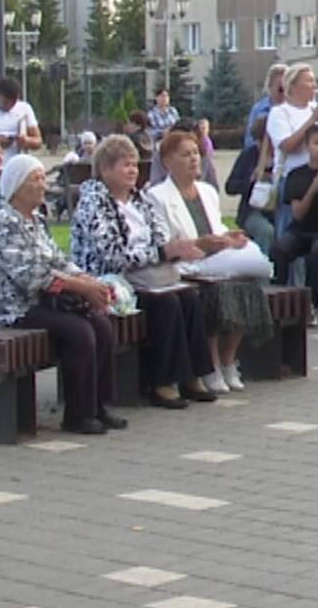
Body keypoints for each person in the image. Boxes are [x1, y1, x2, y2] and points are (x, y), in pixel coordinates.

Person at [0, 156, 122, 434]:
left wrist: (90, 281)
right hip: (13, 308)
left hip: (43, 301)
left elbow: (58, 260)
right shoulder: (1, 223)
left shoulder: (36, 220)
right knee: (79, 332)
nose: (43, 185)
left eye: (44, 178)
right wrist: (80, 287)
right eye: (36, 179)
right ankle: (77, 415)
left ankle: (98, 406)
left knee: (101, 324)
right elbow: (31, 277)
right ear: (17, 186)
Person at [72, 135, 216, 410]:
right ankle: (162, 381)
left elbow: (160, 237)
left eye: (135, 165)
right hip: (111, 279)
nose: (133, 171)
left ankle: (192, 375)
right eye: (126, 165)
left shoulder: (140, 199)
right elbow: (112, 256)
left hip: (147, 273)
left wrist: (173, 250)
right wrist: (160, 253)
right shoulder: (94, 203)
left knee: (189, 297)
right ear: (105, 170)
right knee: (167, 303)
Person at [146, 129, 272, 392]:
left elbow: (216, 229)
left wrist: (229, 238)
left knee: (249, 286)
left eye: (196, 153)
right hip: (186, 265)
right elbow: (165, 243)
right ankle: (210, 364)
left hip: (217, 259)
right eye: (186, 154)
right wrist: (201, 244)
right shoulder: (157, 197)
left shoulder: (207, 191)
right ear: (168, 161)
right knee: (215, 292)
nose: (194, 159)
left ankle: (228, 360)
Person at [272, 122, 318, 316]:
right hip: (301, 229)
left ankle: (310, 303)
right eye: (317, 143)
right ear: (307, 146)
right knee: (280, 248)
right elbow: (298, 214)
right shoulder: (296, 175)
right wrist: (314, 187)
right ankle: (278, 299)